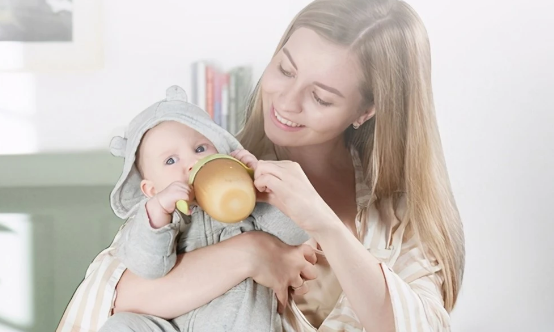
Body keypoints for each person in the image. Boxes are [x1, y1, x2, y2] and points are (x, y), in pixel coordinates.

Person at [57, 0, 465, 331]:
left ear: (366, 110)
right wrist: (251, 251)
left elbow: (418, 325)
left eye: (321, 97)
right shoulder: (211, 174)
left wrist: (322, 222)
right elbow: (112, 295)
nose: (286, 102)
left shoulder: (397, 218)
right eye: (285, 69)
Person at [97, 85, 309, 331]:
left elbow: (296, 233)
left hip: (238, 323)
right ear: (151, 190)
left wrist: (263, 193)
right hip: (170, 325)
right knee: (121, 325)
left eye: (200, 149)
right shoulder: (157, 220)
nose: (192, 162)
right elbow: (148, 267)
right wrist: (158, 214)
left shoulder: (244, 204)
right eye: (170, 160)